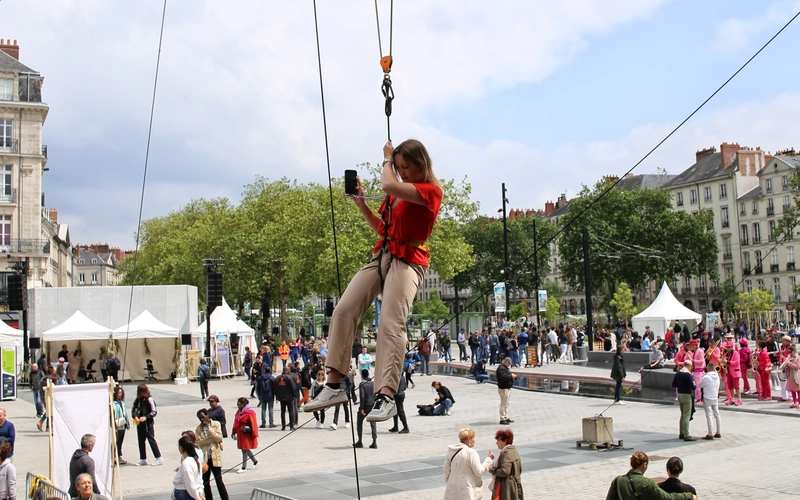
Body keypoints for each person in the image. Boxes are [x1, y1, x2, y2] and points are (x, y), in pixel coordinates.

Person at [304, 140, 442, 424]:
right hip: (384, 254)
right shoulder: (397, 194)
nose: (401, 172)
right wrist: (360, 204)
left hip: (409, 260)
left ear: (421, 164)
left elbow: (390, 185)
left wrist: (387, 160)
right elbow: (383, 227)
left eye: (406, 167)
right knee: (343, 310)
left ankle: (387, 395)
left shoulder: (429, 191)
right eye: (399, 166)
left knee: (390, 322)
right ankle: (333, 385)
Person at [605, 452, 696, 500]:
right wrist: (688, 496)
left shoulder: (617, 481)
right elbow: (667, 498)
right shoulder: (648, 483)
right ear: (644, 465)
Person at [443, 428, 493, 500]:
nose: (474, 440)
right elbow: (479, 471)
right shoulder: (471, 452)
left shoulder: (451, 451)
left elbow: (446, 471)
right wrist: (489, 460)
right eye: (473, 438)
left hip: (452, 489)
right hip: (466, 490)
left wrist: (452, 482)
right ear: (469, 439)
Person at [195, 409, 228, 500]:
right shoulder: (199, 428)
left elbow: (218, 438)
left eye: (203, 417)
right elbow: (198, 443)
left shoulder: (216, 424)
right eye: (199, 418)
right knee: (205, 482)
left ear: (207, 415)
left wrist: (209, 429)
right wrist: (211, 439)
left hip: (215, 457)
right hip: (205, 459)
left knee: (219, 481)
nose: (202, 420)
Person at [132, 384, 163, 466]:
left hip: (148, 425)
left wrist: (146, 417)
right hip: (139, 425)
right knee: (141, 441)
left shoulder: (149, 399)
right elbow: (133, 410)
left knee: (151, 440)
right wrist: (135, 417)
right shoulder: (137, 400)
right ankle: (143, 459)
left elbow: (154, 411)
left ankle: (159, 457)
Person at [489, 429, 522, 500]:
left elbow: (505, 471)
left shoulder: (507, 453)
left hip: (506, 488)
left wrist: (493, 470)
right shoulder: (514, 451)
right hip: (514, 485)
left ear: (505, 441)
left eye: (498, 440)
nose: (496, 443)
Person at [231, 397, 259, 473]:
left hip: (247, 434)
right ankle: (255, 461)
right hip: (240, 434)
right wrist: (233, 431)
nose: (237, 405)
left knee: (244, 449)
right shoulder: (238, 412)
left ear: (243, 404)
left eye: (239, 404)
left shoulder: (250, 413)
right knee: (245, 449)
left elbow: (254, 424)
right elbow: (235, 423)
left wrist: (254, 434)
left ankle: (244, 467)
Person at [68, 434, 101, 498]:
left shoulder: (74, 457)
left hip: (72, 491)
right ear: (90, 445)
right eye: (93, 445)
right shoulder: (88, 461)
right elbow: (92, 480)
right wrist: (98, 494)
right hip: (82, 494)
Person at [672, 360, 697, 441]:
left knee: (682, 414)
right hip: (686, 395)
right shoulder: (688, 375)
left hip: (679, 395)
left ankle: (681, 433)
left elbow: (674, 384)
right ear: (689, 366)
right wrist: (694, 384)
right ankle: (686, 435)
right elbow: (693, 387)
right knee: (687, 415)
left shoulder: (678, 373)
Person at [172, 436, 202, 500]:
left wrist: (197, 497)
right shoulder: (194, 460)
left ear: (181, 448)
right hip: (187, 492)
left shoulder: (186, 463)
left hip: (185, 493)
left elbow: (190, 485)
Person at [698, 362, 721, 440]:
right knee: (717, 415)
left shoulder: (706, 377)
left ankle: (710, 433)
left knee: (709, 415)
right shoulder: (717, 376)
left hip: (707, 397)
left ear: (708, 368)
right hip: (715, 396)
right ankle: (718, 432)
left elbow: (699, 385)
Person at [355, 369, 377, 449]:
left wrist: (361, 408)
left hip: (366, 405)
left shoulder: (362, 384)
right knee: (373, 423)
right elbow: (375, 394)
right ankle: (374, 441)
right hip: (372, 404)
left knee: (359, 422)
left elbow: (362, 397)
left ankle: (360, 441)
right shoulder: (373, 383)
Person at [276, 366, 298, 431]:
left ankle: (283, 426)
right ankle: (291, 425)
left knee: (282, 411)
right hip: (289, 397)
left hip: (281, 397)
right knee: (291, 411)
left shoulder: (277, 378)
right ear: (288, 370)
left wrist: (277, 396)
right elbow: (293, 387)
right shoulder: (290, 377)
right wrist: (294, 395)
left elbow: (275, 388)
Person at [112, 386, 130, 465]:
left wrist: (127, 423)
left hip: (123, 425)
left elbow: (125, 414)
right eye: (118, 393)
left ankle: (118, 456)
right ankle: (114, 457)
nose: (120, 395)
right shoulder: (113, 403)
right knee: (116, 442)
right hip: (117, 425)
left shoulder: (122, 402)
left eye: (121, 393)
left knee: (120, 442)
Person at [496, 357, 517, 425]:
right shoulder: (501, 368)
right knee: (504, 404)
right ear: (505, 362)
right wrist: (511, 376)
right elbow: (504, 377)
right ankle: (502, 418)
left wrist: (512, 376)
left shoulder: (504, 368)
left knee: (506, 404)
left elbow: (506, 375)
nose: (509, 365)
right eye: (509, 363)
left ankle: (506, 417)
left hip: (507, 388)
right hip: (503, 389)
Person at [721, 341, 742, 406]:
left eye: (728, 347)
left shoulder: (736, 353)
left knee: (737, 387)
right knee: (730, 387)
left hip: (735, 372)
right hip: (729, 372)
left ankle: (739, 399)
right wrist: (722, 360)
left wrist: (728, 362)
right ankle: (732, 398)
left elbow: (737, 362)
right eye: (727, 347)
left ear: (732, 347)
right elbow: (724, 361)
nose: (727, 348)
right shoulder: (727, 353)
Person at [784, 344, 800, 408]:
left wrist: (789, 363)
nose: (790, 353)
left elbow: (797, 366)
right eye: (789, 352)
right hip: (790, 375)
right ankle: (794, 402)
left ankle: (799, 403)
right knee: (792, 390)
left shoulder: (798, 357)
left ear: (794, 351)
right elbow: (785, 366)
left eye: (791, 352)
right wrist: (785, 363)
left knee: (798, 390)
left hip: (796, 375)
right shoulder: (789, 357)